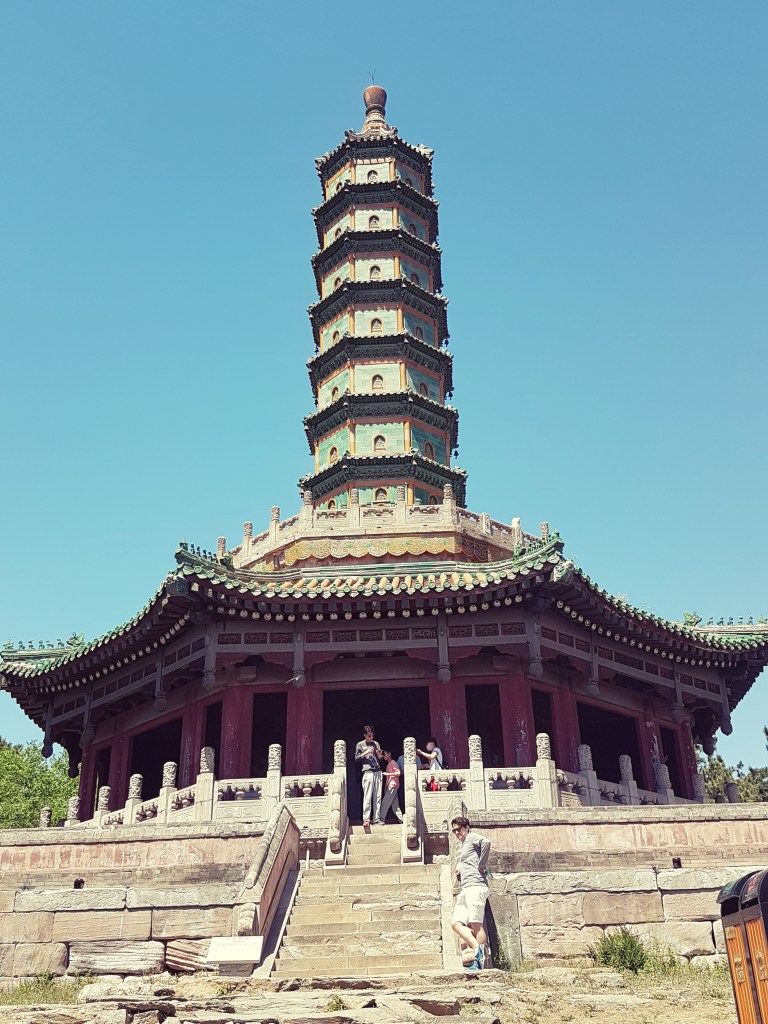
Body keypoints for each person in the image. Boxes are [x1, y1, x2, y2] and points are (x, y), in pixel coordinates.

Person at [450, 815, 491, 971]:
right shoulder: (465, 844)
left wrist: (481, 864)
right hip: (466, 888)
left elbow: (486, 842)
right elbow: (469, 859)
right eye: (454, 831)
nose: (456, 833)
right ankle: (478, 950)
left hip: (476, 886)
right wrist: (460, 867)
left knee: (476, 924)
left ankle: (481, 958)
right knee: (456, 923)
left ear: (466, 828)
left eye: (458, 829)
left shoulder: (472, 837)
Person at [354, 724, 383, 833]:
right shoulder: (360, 744)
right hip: (367, 771)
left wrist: (379, 754)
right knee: (367, 796)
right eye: (369, 736)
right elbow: (356, 758)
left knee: (378, 796)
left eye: (372, 735)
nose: (371, 737)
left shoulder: (376, 744)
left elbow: (380, 758)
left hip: (377, 770)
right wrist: (366, 752)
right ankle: (366, 819)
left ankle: (377, 818)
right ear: (365, 735)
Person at [377, 749, 404, 824]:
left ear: (389, 754)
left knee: (385, 802)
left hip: (393, 785)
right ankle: (401, 820)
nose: (384, 756)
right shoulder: (389, 763)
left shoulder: (393, 762)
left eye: (385, 754)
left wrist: (387, 774)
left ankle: (381, 819)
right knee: (395, 805)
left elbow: (398, 773)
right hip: (391, 785)